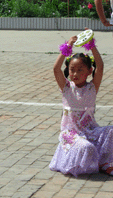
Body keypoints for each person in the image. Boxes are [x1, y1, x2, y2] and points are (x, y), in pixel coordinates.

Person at [49, 34, 113, 177]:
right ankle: (88, 163)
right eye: (72, 69)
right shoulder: (66, 87)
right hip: (70, 134)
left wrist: (92, 45)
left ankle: (104, 163)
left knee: (111, 131)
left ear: (89, 72)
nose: (75, 73)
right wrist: (68, 47)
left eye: (80, 70)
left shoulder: (92, 87)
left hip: (90, 130)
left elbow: (100, 66)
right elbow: (55, 68)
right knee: (87, 147)